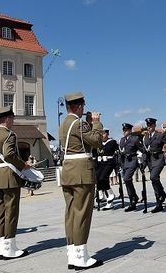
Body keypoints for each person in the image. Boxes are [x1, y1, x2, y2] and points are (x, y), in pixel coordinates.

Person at [58, 92, 103, 270]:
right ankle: (81, 256)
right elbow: (98, 141)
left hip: (68, 171)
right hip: (81, 171)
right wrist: (96, 122)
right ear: (77, 107)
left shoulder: (64, 124)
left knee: (70, 213)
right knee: (82, 213)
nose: (84, 109)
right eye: (83, 107)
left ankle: (72, 252)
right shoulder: (78, 123)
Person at [0, 106, 30, 260]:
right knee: (11, 212)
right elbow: (9, 154)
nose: (14, 120)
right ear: (7, 119)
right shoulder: (9, 135)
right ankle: (10, 247)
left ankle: (1, 246)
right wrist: (23, 165)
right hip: (9, 177)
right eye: (13, 118)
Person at [119, 123, 146, 212]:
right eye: (123, 130)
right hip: (125, 162)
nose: (124, 132)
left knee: (127, 179)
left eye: (126, 130)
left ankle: (133, 198)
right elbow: (121, 153)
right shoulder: (122, 140)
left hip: (133, 160)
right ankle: (133, 199)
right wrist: (121, 164)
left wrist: (144, 161)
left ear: (130, 130)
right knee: (127, 181)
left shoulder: (135, 139)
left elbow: (143, 150)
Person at [96, 129, 118, 210]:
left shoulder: (112, 142)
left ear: (107, 134)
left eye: (104, 133)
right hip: (101, 163)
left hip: (109, 162)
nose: (102, 135)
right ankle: (101, 194)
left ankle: (110, 194)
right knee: (97, 178)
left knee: (103, 178)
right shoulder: (99, 143)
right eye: (101, 134)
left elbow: (117, 151)